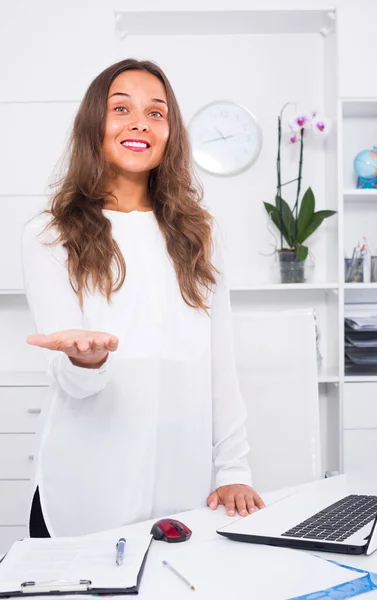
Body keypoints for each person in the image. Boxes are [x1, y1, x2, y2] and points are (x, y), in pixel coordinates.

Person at [22, 58, 265, 538]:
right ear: (95, 125)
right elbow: (77, 387)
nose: (139, 122)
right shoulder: (50, 235)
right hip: (84, 488)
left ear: (170, 134)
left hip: (181, 489)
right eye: (121, 108)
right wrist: (84, 360)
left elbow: (221, 363)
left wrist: (233, 469)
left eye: (156, 112)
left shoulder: (199, 234)